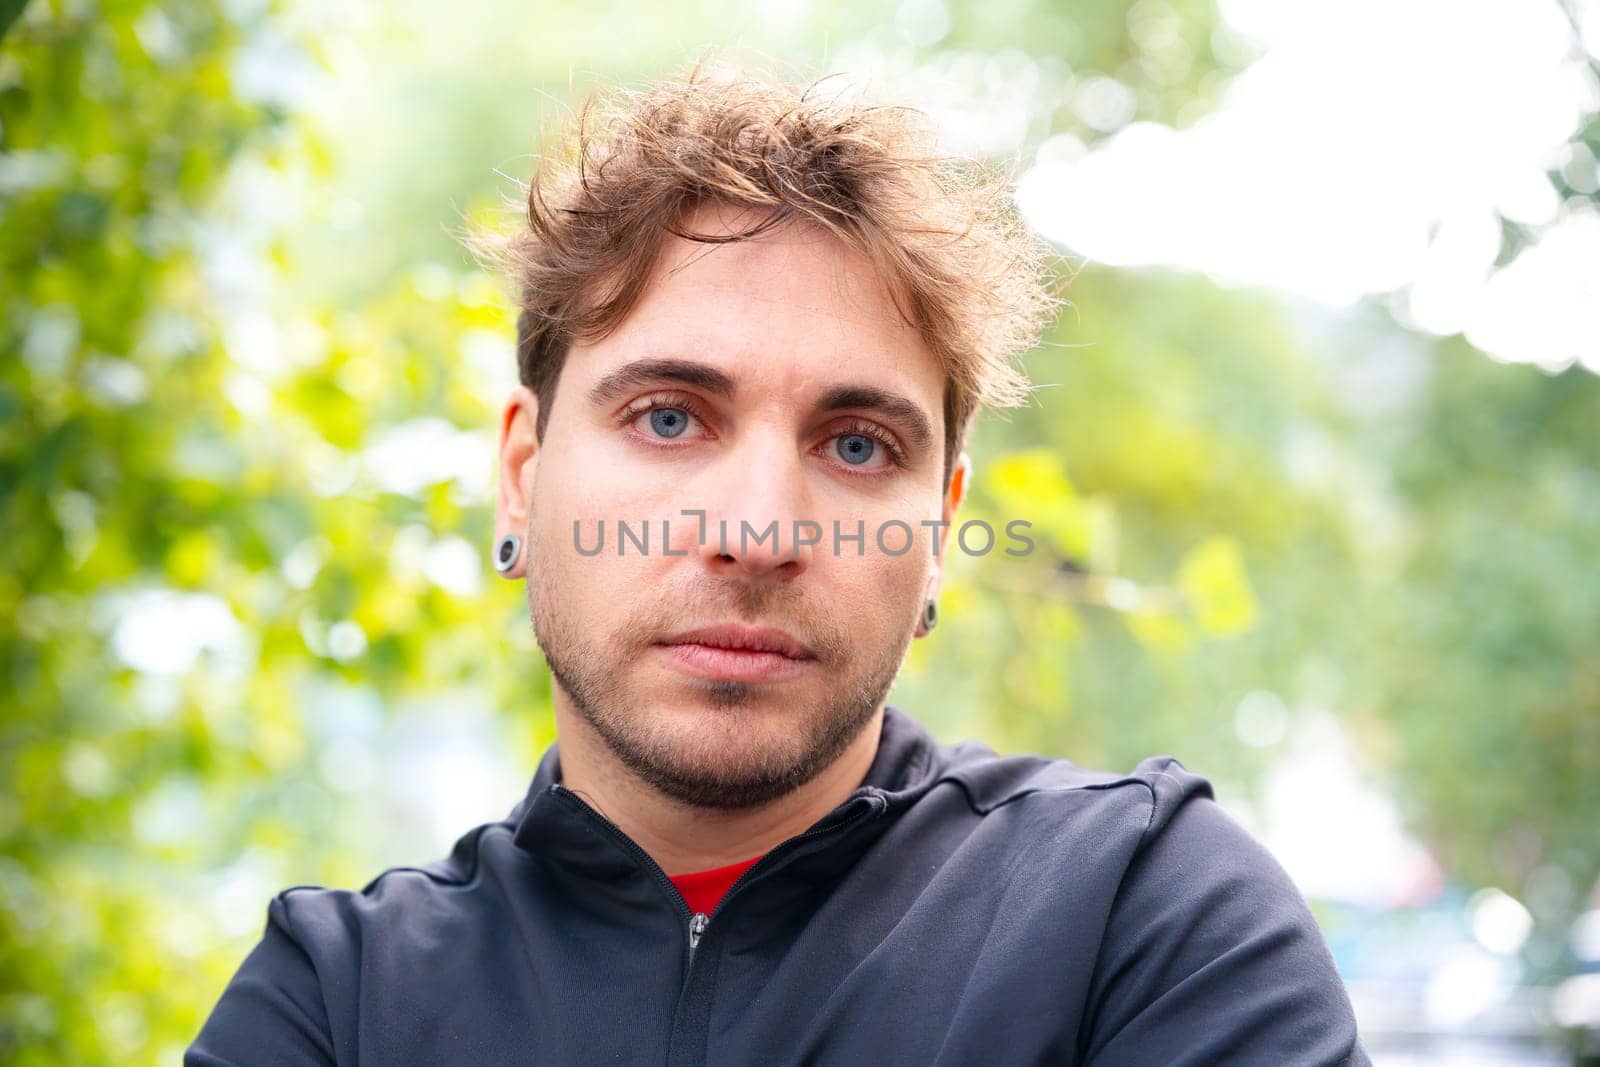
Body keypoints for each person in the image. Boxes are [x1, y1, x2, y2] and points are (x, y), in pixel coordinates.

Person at [187, 65, 1369, 1066]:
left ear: (943, 529)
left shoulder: (1143, 914)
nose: (758, 531)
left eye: (857, 444)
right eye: (666, 417)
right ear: (522, 475)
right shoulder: (338, 1002)